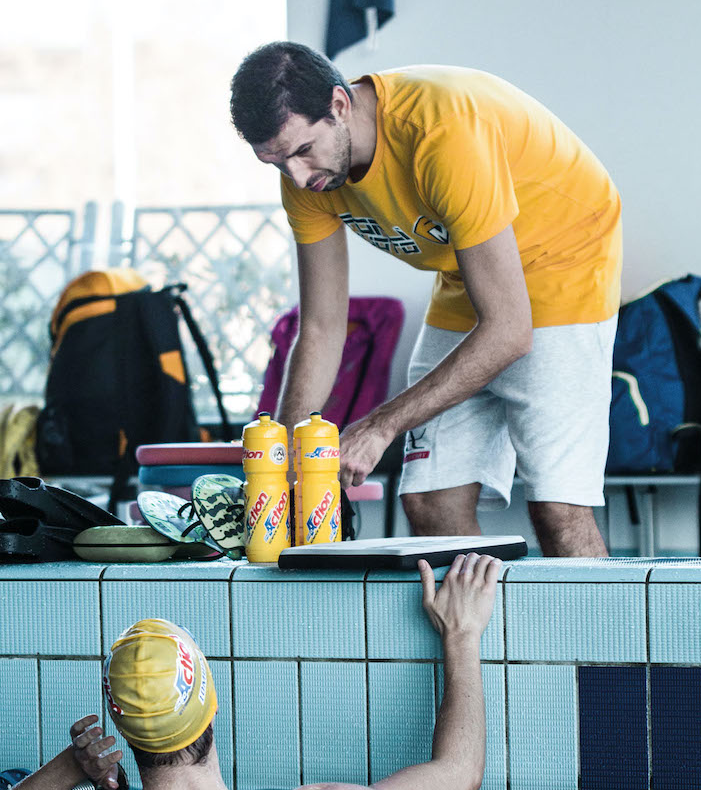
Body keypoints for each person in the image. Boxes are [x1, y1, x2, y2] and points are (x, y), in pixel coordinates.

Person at [229, 43, 623, 557]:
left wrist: (379, 425)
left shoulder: (441, 131)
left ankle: (593, 638)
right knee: (430, 501)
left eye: (304, 151)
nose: (299, 177)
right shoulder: (305, 177)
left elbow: (508, 330)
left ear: (340, 105)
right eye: (276, 162)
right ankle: (476, 637)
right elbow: (323, 327)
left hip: (563, 259)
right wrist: (281, 459)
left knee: (556, 507)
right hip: (470, 272)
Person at [0, 553, 498, 790]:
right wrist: (461, 635)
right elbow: (460, 773)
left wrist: (69, 769)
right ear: (210, 703)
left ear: (124, 728)